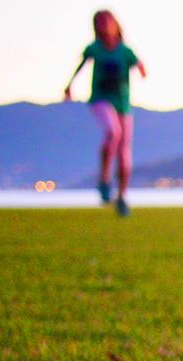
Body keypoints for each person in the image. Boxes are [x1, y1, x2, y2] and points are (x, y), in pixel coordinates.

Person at [63, 10, 146, 216]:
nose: (103, 25)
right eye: (98, 22)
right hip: (100, 100)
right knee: (112, 131)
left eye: (106, 21)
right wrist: (69, 86)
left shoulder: (125, 51)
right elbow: (81, 65)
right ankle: (104, 179)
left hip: (123, 105)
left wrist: (142, 69)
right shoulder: (95, 49)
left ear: (115, 24)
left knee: (124, 154)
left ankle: (122, 197)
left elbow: (139, 65)